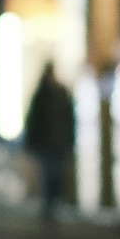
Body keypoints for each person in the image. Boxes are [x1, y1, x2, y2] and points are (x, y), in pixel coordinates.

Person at [23, 64, 75, 223]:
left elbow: (34, 120)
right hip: (53, 142)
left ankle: (51, 204)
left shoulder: (44, 93)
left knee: (51, 174)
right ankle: (52, 204)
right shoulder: (55, 93)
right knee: (52, 174)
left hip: (51, 142)